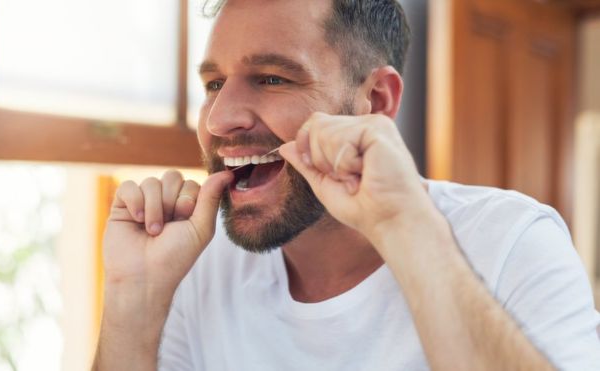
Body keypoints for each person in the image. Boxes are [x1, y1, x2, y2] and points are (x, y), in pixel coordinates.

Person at [92, 0, 600, 370]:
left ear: (376, 101)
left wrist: (404, 227)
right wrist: (131, 300)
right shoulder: (200, 265)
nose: (219, 119)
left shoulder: (513, 241)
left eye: (272, 78)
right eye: (213, 85)